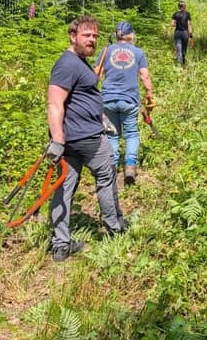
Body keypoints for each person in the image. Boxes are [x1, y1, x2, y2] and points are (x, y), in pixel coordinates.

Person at [45, 15, 128, 262]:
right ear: (73, 36)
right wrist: (57, 141)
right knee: (106, 176)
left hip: (76, 136)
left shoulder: (78, 62)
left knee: (64, 187)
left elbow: (80, 95)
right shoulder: (67, 64)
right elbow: (54, 103)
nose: (91, 40)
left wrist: (98, 112)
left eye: (94, 36)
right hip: (85, 138)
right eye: (86, 35)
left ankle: (61, 244)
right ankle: (115, 228)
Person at [96, 20, 154, 186]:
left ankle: (112, 167)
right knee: (131, 133)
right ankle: (130, 166)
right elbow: (144, 76)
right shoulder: (138, 52)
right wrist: (149, 94)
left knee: (112, 134)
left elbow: (97, 75)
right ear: (130, 35)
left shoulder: (106, 51)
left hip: (108, 99)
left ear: (117, 35)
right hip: (129, 100)